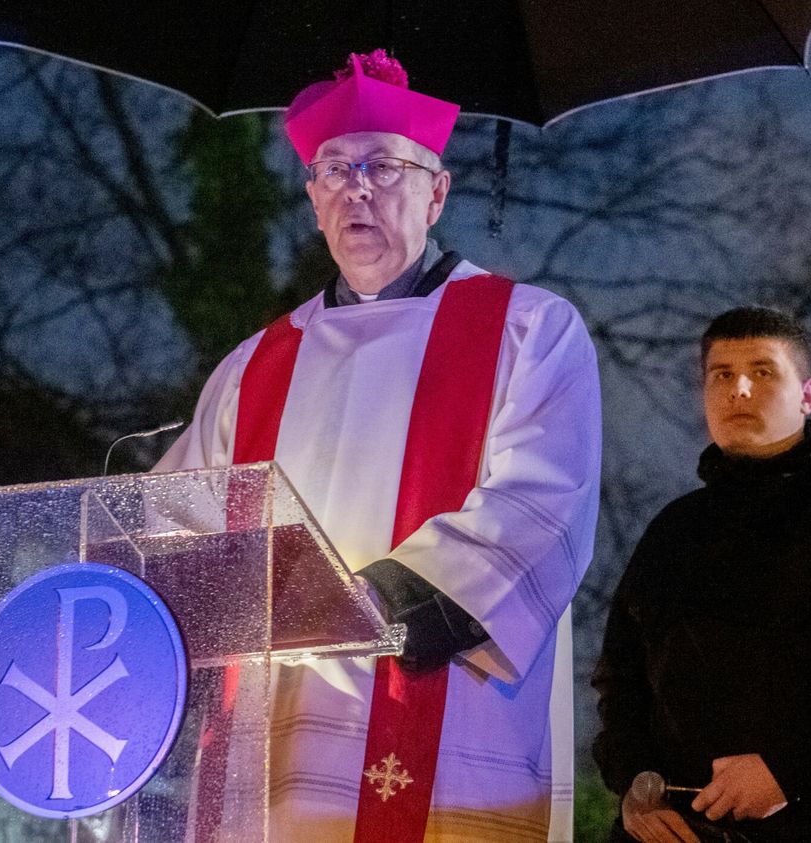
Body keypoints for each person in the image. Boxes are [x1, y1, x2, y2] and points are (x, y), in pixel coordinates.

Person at [154, 51, 601, 842]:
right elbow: (168, 533)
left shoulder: (529, 329)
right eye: (334, 169)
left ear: (438, 192)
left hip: (449, 740)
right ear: (312, 197)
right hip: (268, 757)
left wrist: (358, 605)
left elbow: (540, 511)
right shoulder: (251, 367)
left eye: (384, 167)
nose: (357, 187)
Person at [591, 306, 811, 842]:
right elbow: (620, 682)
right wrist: (636, 786)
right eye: (722, 374)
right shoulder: (673, 530)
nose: (739, 388)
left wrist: (789, 771)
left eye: (763, 371)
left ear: (808, 396)